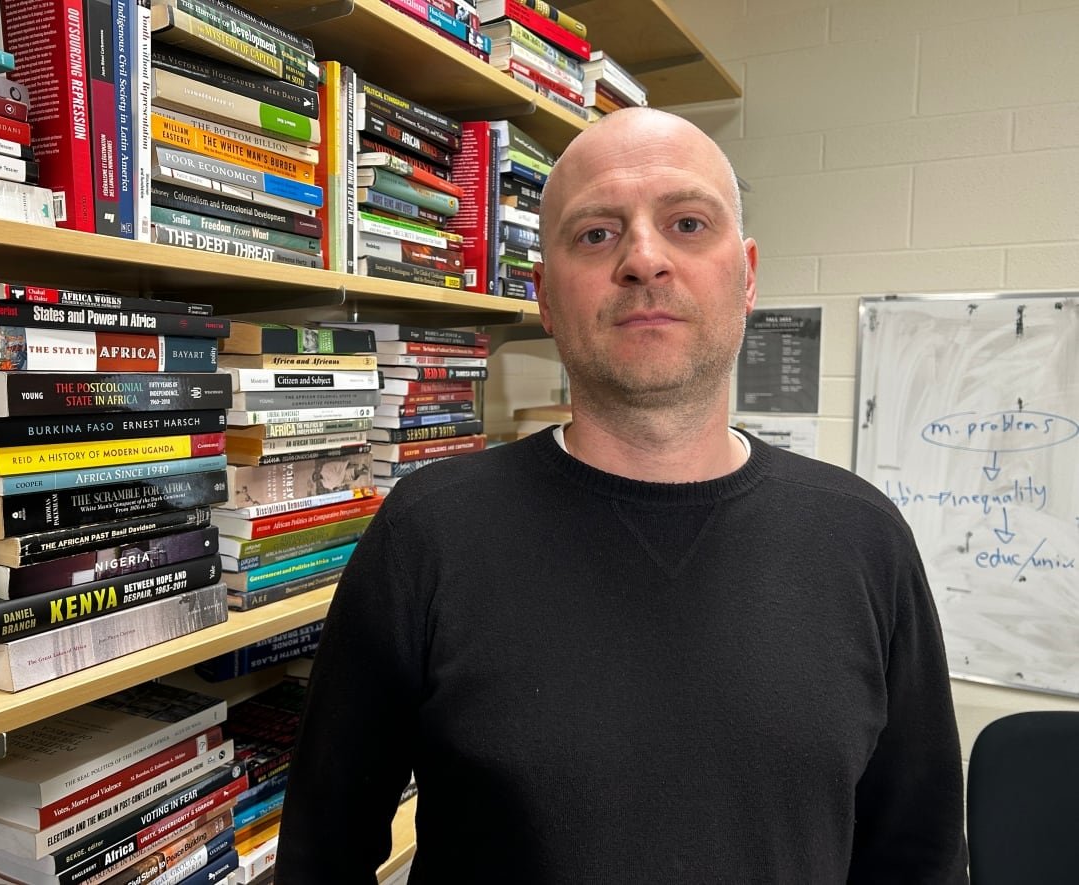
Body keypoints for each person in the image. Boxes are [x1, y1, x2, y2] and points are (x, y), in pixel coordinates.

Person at [273, 107, 969, 883]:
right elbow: (320, 857)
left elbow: (921, 861)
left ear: (747, 276)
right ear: (544, 296)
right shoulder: (427, 535)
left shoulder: (865, 539)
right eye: (596, 234)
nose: (644, 258)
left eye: (687, 223)